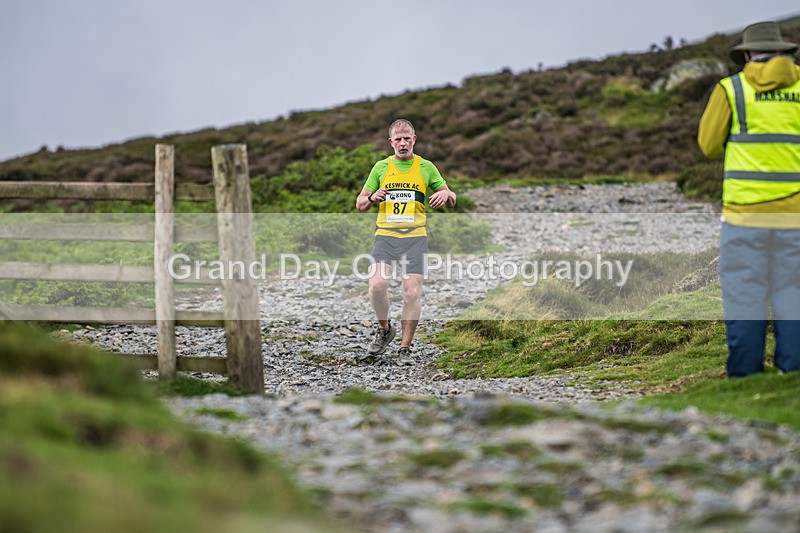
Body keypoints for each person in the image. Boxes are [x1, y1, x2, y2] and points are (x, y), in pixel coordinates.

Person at [697, 21, 800, 377]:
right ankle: (793, 374)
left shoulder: (731, 89)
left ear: (746, 54)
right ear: (787, 51)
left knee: (745, 297)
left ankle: (744, 376)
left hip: (744, 219)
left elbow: (708, 146)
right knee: (793, 295)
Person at [355, 118, 456, 364]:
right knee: (376, 286)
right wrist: (373, 197)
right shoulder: (380, 168)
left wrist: (445, 195)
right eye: (398, 139)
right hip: (386, 237)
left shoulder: (426, 167)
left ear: (414, 139)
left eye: (407, 138)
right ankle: (384, 329)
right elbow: (360, 204)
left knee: (411, 292)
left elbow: (451, 196)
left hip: (415, 239)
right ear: (391, 143)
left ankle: (405, 349)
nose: (402, 143)